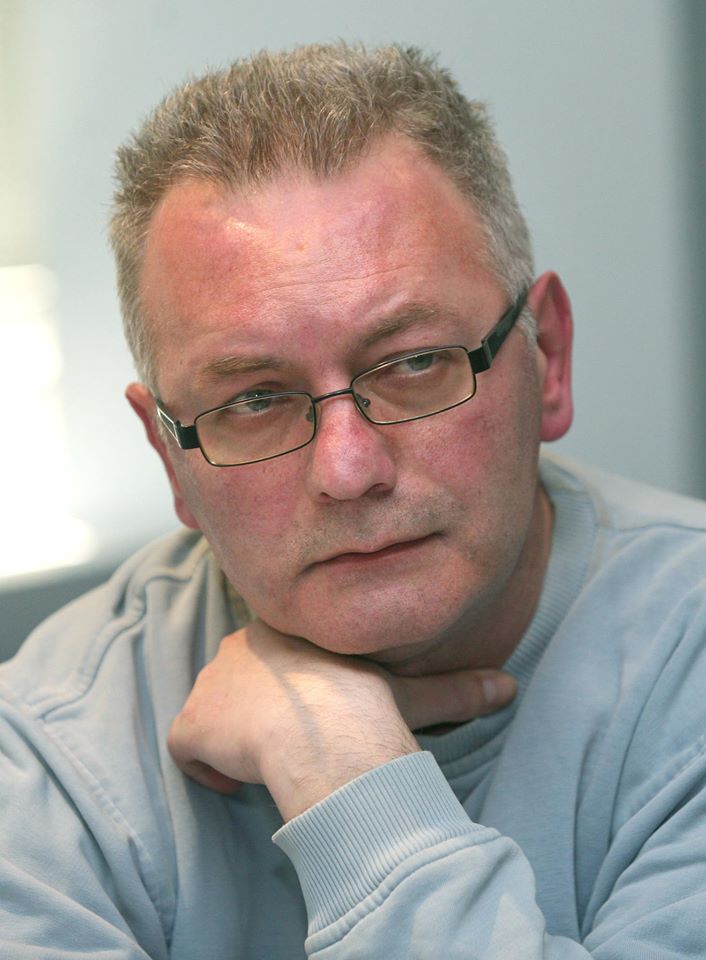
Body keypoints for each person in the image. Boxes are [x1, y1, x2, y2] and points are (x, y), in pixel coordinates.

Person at [1, 42, 705, 960]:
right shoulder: (46, 762)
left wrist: (344, 775)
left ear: (550, 360)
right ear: (170, 458)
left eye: (414, 363)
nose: (347, 468)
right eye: (254, 400)